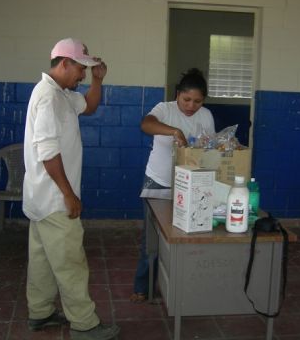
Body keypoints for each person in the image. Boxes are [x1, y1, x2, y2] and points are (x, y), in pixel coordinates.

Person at [23, 38, 120, 340]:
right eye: (80, 68)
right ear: (64, 63)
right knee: (70, 263)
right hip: (54, 199)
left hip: (40, 198)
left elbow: (89, 106)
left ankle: (39, 312)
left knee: (41, 258)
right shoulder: (48, 98)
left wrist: (97, 79)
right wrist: (68, 193)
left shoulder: (61, 94)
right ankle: (84, 324)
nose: (82, 75)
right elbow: (48, 152)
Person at [130, 68, 215, 303]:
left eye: (197, 101)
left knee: (185, 235)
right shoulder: (164, 109)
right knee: (153, 240)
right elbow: (146, 124)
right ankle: (142, 287)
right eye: (186, 99)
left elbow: (210, 148)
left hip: (192, 185)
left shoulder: (206, 116)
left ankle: (178, 285)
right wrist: (174, 131)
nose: (191, 106)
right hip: (159, 182)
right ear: (178, 94)